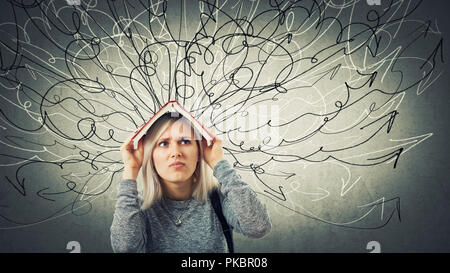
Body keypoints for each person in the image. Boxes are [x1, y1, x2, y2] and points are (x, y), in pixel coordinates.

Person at [110, 112, 272, 253]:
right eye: (164, 143)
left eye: (185, 141)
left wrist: (219, 164)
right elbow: (125, 248)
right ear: (150, 155)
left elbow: (258, 227)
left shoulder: (219, 201)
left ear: (199, 151)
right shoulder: (136, 210)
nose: (175, 152)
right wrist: (130, 170)